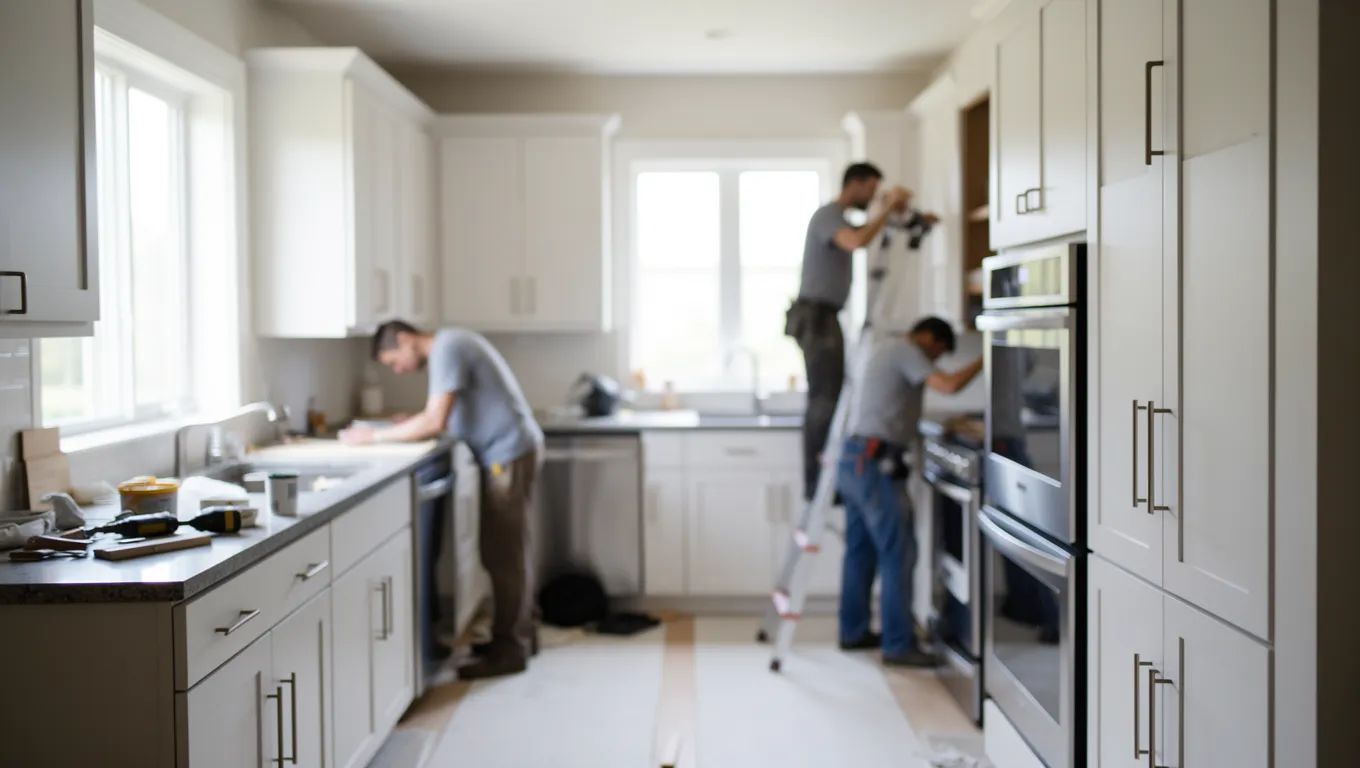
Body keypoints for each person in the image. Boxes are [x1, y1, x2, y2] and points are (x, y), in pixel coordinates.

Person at [340, 320, 544, 679]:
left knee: (503, 555)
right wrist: (408, 423)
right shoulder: (453, 343)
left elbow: (435, 420)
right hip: (511, 451)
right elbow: (448, 415)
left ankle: (510, 649)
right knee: (509, 552)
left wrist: (374, 436)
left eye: (393, 360)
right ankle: (519, 637)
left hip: (507, 455)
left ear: (404, 339)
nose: (398, 369)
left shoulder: (447, 347)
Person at [836, 316, 982, 667]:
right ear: (928, 338)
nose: (934, 362)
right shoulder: (906, 348)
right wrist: (988, 353)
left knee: (861, 551)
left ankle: (853, 631)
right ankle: (899, 645)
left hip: (855, 459)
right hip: (874, 465)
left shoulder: (886, 348)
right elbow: (947, 386)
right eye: (937, 353)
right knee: (898, 553)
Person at [786, 162, 910, 501]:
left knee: (830, 395)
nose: (871, 198)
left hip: (823, 317)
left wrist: (893, 214)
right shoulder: (828, 215)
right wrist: (884, 211)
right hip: (816, 318)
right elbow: (856, 241)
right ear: (854, 184)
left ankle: (822, 479)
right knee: (824, 399)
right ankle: (817, 484)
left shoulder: (838, 218)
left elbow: (864, 234)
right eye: (870, 189)